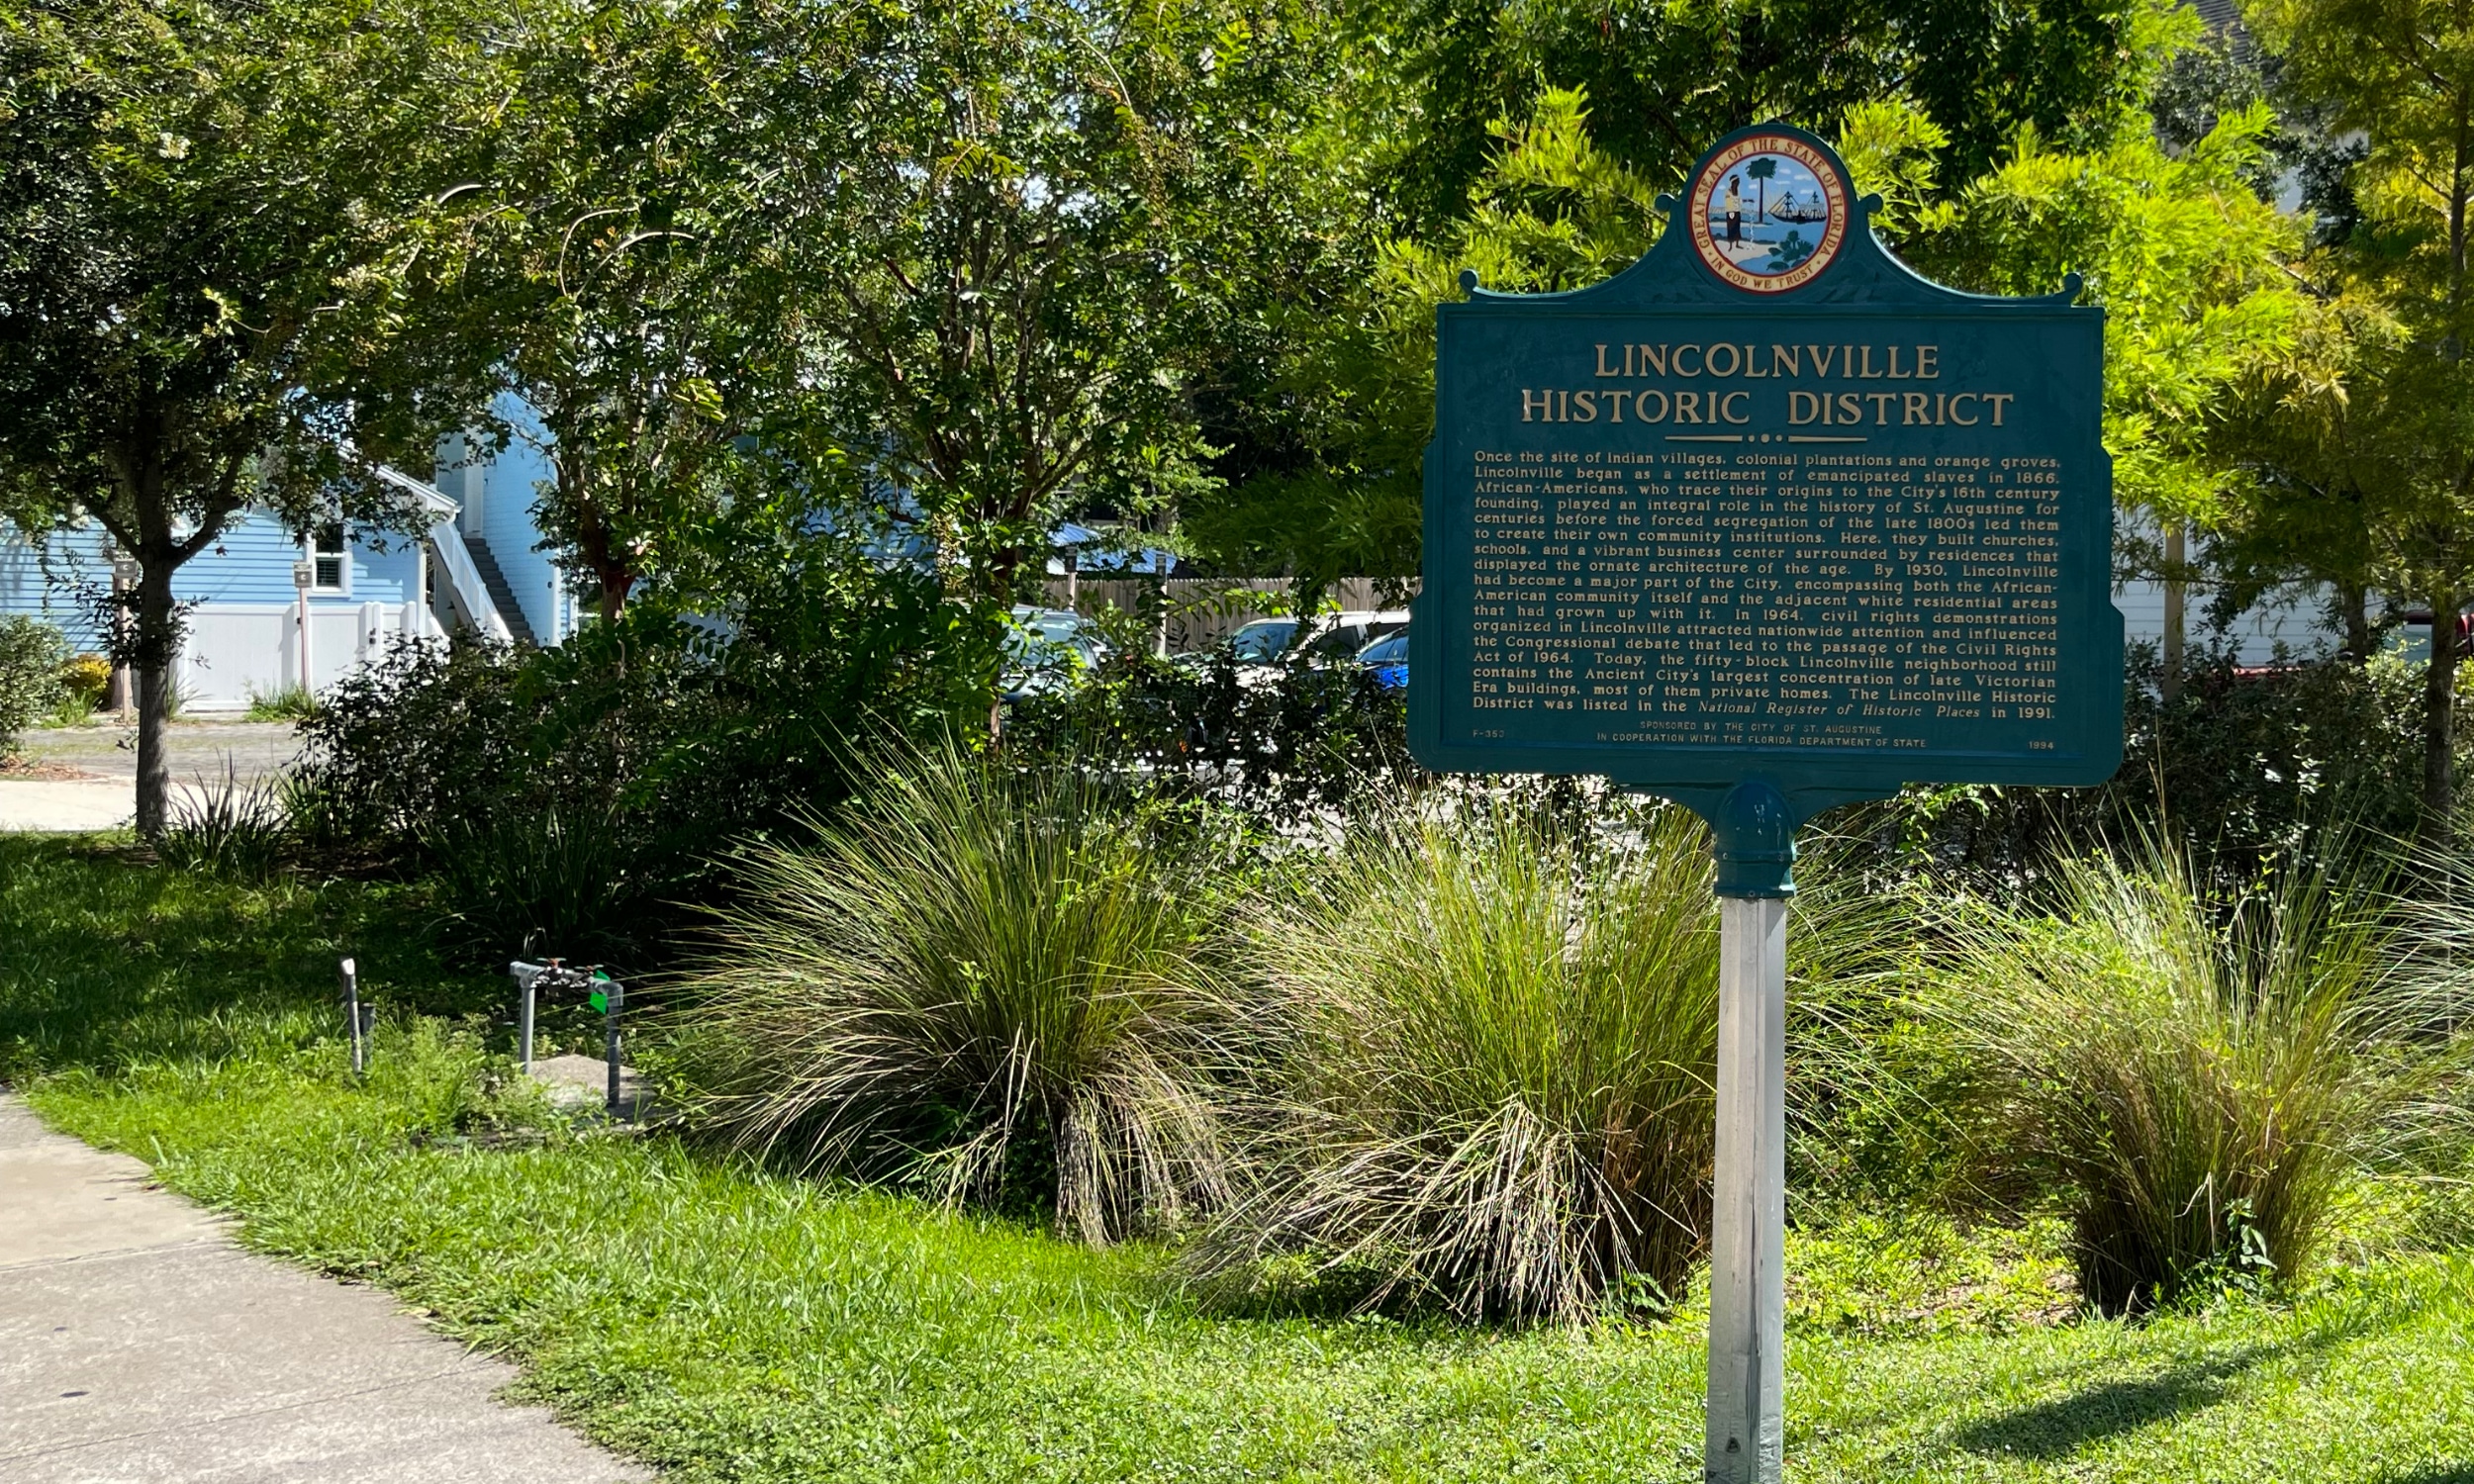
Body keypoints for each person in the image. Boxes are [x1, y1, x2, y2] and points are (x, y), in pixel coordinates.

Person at [1724, 176, 1743, 244]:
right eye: (1737, 181)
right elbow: (1728, 202)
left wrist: (1747, 200)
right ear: (1734, 182)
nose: (1738, 183)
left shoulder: (1737, 191)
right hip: (1731, 212)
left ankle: (1737, 243)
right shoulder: (1728, 191)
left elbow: (1739, 200)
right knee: (1731, 228)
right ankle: (1730, 245)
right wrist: (1731, 211)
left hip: (1737, 211)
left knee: (1737, 228)